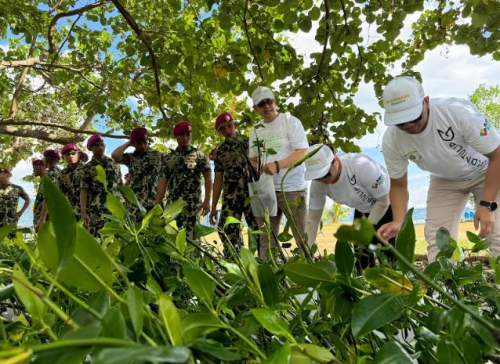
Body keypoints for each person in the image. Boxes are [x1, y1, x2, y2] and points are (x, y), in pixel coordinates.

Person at [377, 76, 500, 262]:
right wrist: (399, 221)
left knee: (496, 232)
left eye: (413, 117)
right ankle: (447, 286)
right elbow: (398, 186)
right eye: (400, 122)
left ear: (426, 102)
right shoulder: (392, 141)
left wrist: (486, 204)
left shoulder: (458, 113)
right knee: (437, 239)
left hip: (485, 170)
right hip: (445, 179)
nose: (408, 126)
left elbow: (497, 155)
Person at [304, 144, 394, 268]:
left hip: (388, 203)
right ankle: (365, 284)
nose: (323, 180)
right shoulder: (318, 184)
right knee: (361, 255)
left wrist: (367, 230)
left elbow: (384, 200)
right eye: (318, 177)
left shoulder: (361, 166)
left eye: (326, 174)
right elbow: (313, 219)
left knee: (387, 253)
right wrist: (307, 251)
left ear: (334, 161)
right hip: (363, 209)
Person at [249, 86, 309, 260]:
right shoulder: (256, 129)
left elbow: (301, 151)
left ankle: (310, 279)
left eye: (270, 101)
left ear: (275, 102)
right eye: (261, 104)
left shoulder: (290, 121)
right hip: (266, 191)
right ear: (255, 108)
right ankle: (272, 282)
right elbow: (253, 158)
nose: (267, 106)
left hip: (292, 189)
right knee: (267, 239)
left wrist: (277, 165)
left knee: (302, 238)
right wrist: (253, 170)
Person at [209, 112, 259, 255]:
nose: (227, 130)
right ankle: (236, 263)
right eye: (223, 129)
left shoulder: (251, 143)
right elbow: (218, 180)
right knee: (226, 230)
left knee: (260, 231)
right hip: (232, 197)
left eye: (230, 125)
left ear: (235, 125)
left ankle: (263, 265)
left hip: (253, 195)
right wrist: (214, 207)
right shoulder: (220, 152)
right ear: (220, 132)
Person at [155, 121, 212, 239]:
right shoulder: (169, 158)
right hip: (173, 207)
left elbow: (208, 178)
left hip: (192, 206)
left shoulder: (199, 155)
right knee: (172, 239)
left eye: (188, 134)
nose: (185, 138)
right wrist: (157, 203)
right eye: (182, 135)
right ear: (176, 136)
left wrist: (207, 200)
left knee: (194, 241)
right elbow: (163, 181)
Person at [111, 127, 163, 221]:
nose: (143, 145)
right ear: (133, 143)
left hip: (155, 203)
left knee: (156, 233)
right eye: (139, 143)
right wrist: (129, 143)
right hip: (136, 205)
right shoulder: (131, 158)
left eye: (145, 141)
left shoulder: (158, 155)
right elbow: (115, 155)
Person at [80, 134, 124, 237]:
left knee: (119, 237)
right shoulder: (87, 168)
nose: (100, 148)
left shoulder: (114, 163)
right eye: (96, 145)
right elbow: (84, 190)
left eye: (102, 145)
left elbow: (121, 184)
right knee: (101, 237)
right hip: (98, 209)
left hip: (117, 205)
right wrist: (83, 212)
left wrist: (128, 202)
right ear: (90, 148)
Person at [34, 150, 61, 230]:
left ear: (46, 159)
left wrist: (42, 218)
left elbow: (49, 197)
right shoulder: (60, 173)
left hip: (48, 218)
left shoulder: (51, 175)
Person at [58, 143, 85, 220]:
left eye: (73, 153)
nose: (71, 156)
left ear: (78, 155)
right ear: (63, 157)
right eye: (67, 154)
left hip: (89, 211)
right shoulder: (62, 174)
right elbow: (61, 195)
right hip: (72, 214)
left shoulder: (87, 169)